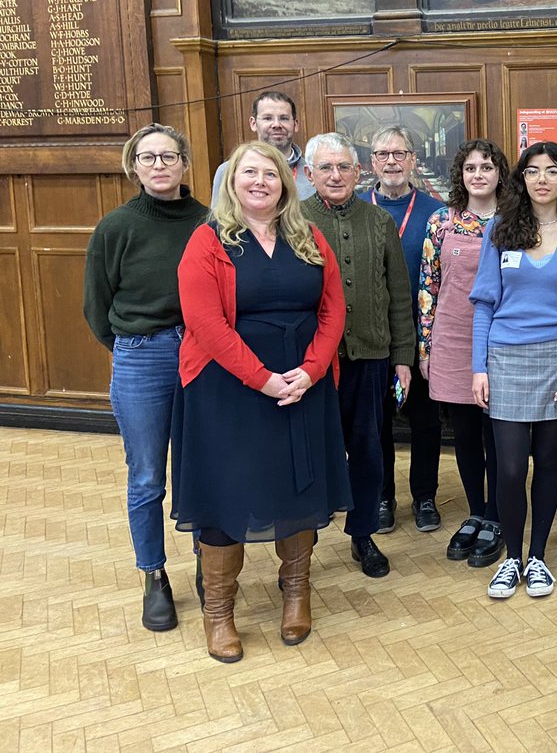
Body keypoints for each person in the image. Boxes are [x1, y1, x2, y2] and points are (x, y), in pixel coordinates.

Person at [171, 140, 351, 663]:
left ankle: (296, 595)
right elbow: (204, 323)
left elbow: (333, 310)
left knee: (298, 486)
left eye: (270, 174)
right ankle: (219, 613)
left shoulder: (309, 236)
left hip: (302, 387)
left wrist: (311, 371)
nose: (260, 182)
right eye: (249, 173)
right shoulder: (207, 241)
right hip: (227, 390)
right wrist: (263, 379)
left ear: (285, 184)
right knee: (226, 492)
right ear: (232, 182)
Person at [83, 124, 209, 632]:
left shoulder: (210, 221)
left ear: (185, 163)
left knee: (202, 466)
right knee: (147, 476)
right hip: (142, 355)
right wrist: (135, 347)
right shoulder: (116, 227)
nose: (159, 165)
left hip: (203, 353)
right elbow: (97, 307)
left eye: (168, 156)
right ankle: (154, 576)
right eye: (148, 157)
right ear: (133, 167)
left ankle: (209, 561)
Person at [469, 141, 557, 599]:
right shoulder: (500, 228)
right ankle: (511, 558)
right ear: (521, 178)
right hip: (504, 358)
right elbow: (484, 303)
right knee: (511, 467)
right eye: (533, 170)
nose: (542, 179)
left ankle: (537, 557)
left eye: (552, 170)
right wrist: (479, 368)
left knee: (550, 460)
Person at [301, 133, 415, 579]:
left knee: (368, 448)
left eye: (343, 167)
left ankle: (363, 533)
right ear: (309, 174)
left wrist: (402, 356)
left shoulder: (378, 221)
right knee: (312, 449)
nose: (335, 175)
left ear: (358, 171)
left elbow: (399, 295)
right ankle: (303, 537)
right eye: (325, 168)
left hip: (370, 356)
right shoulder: (293, 220)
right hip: (312, 363)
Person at [419, 139, 509, 568]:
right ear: (461, 174)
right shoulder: (442, 221)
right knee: (467, 435)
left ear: (499, 173)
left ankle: (497, 516)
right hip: (452, 339)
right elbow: (428, 286)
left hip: (502, 341)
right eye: (470, 167)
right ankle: (476, 512)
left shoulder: (515, 220)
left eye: (486, 167)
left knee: (499, 435)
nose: (478, 174)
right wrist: (425, 347)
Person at [361, 126, 445, 534]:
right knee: (376, 424)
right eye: (383, 154)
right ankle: (382, 497)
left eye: (399, 153)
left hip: (423, 336)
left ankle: (424, 496)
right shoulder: (358, 208)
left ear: (413, 159)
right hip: (372, 339)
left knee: (426, 422)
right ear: (371, 162)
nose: (391, 161)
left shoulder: (436, 211)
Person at [211, 92, 313, 206]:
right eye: (268, 118)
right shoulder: (228, 171)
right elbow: (220, 215)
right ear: (253, 123)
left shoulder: (313, 172)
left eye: (284, 118)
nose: (276, 124)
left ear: (295, 124)